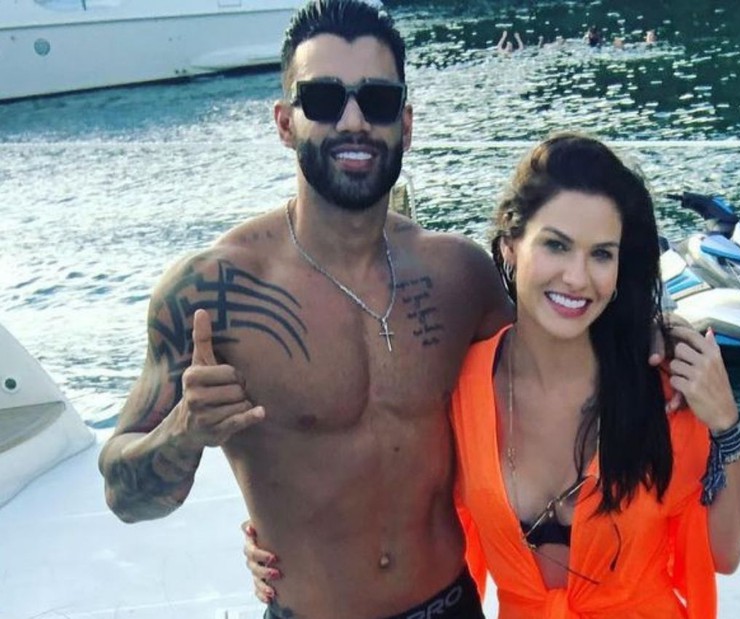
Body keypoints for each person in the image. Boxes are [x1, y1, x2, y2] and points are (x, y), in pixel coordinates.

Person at [98, 2, 672, 618]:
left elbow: (563, 341)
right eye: (322, 99)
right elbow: (123, 497)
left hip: (449, 605)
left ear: (405, 122)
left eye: (376, 100)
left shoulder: (459, 276)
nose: (353, 121)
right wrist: (184, 432)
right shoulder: (214, 291)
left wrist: (660, 337)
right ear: (285, 122)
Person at [245, 135, 740, 617]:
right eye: (556, 246)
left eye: (601, 254)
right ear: (511, 246)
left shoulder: (659, 382)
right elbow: (389, 491)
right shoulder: (463, 385)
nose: (577, 277)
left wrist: (726, 425)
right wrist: (282, 542)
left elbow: (725, 553)